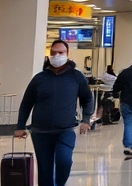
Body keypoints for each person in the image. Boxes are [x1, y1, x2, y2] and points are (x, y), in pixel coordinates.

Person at [15, 40, 93, 186]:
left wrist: (86, 119)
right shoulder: (39, 78)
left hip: (66, 129)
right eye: (53, 53)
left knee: (64, 161)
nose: (56, 55)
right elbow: (26, 103)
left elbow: (87, 98)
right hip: (40, 132)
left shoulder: (76, 77)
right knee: (45, 170)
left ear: (67, 54)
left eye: (60, 52)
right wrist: (20, 126)